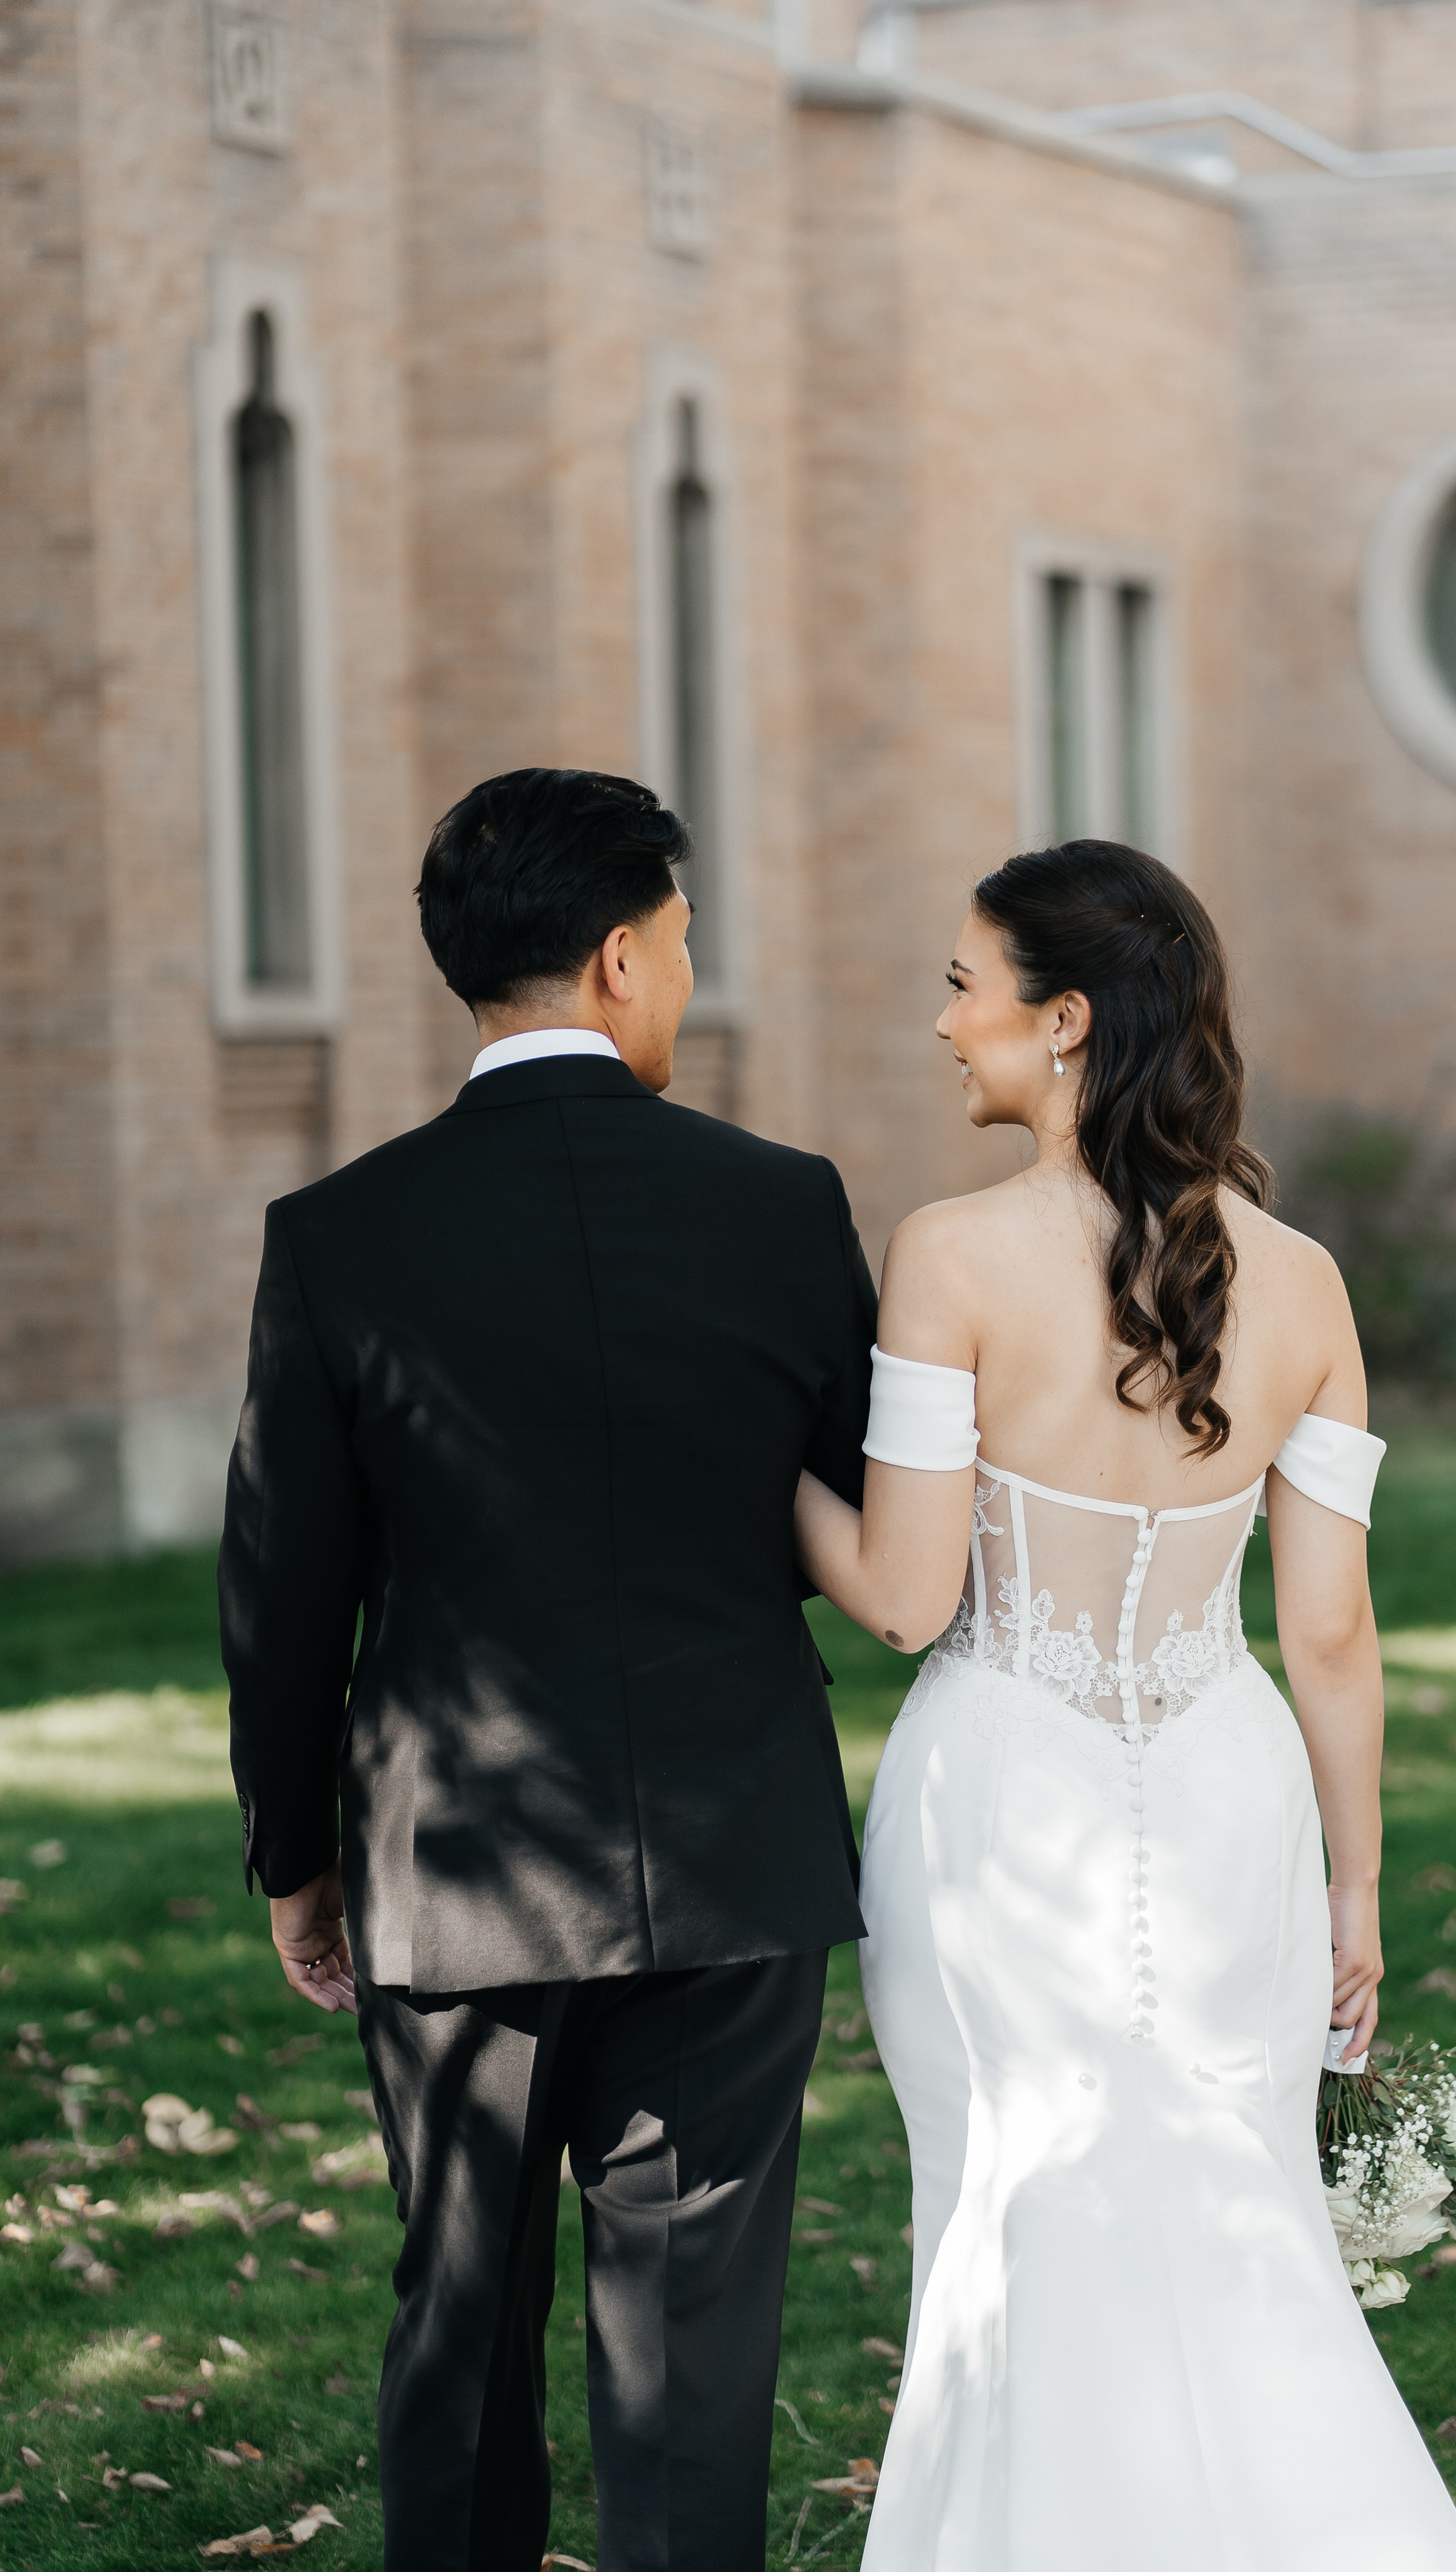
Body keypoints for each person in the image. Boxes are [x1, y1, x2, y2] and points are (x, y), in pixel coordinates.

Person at [793, 840, 1456, 2569]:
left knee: (1013, 2211)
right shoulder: (1309, 1282)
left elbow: (902, 1597)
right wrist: (1357, 1885)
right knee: (1234, 2212)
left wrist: (753, 1474)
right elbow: (1328, 1636)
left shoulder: (949, 1254)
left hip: (1002, 1797)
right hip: (1231, 1790)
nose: (945, 1024)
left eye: (966, 984)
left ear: (1067, 1017)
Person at [218, 769, 877, 2572]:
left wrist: (294, 1855)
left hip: (455, 1872)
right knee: (692, 2371)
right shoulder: (785, 1205)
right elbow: (865, 1514)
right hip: (733, 1852)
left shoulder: (340, 1236)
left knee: (459, 2334)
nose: (682, 970)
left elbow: (286, 1589)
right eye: (678, 940)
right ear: (614, 957)